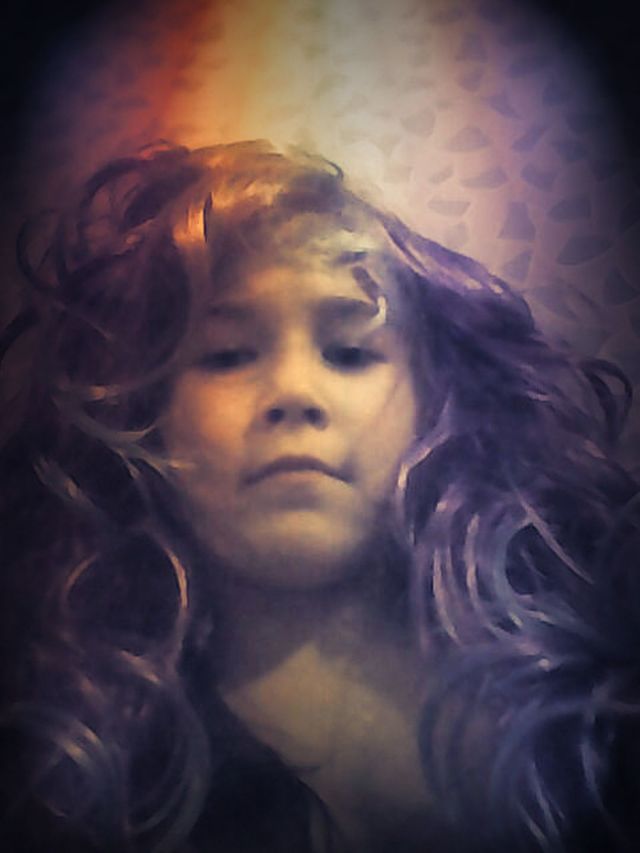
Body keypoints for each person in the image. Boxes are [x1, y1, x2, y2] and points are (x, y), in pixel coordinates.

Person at [0, 140, 638, 853]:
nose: (295, 393)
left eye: (350, 352)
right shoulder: (73, 765)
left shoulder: (594, 697)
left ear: (431, 407)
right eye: (227, 355)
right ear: (147, 414)